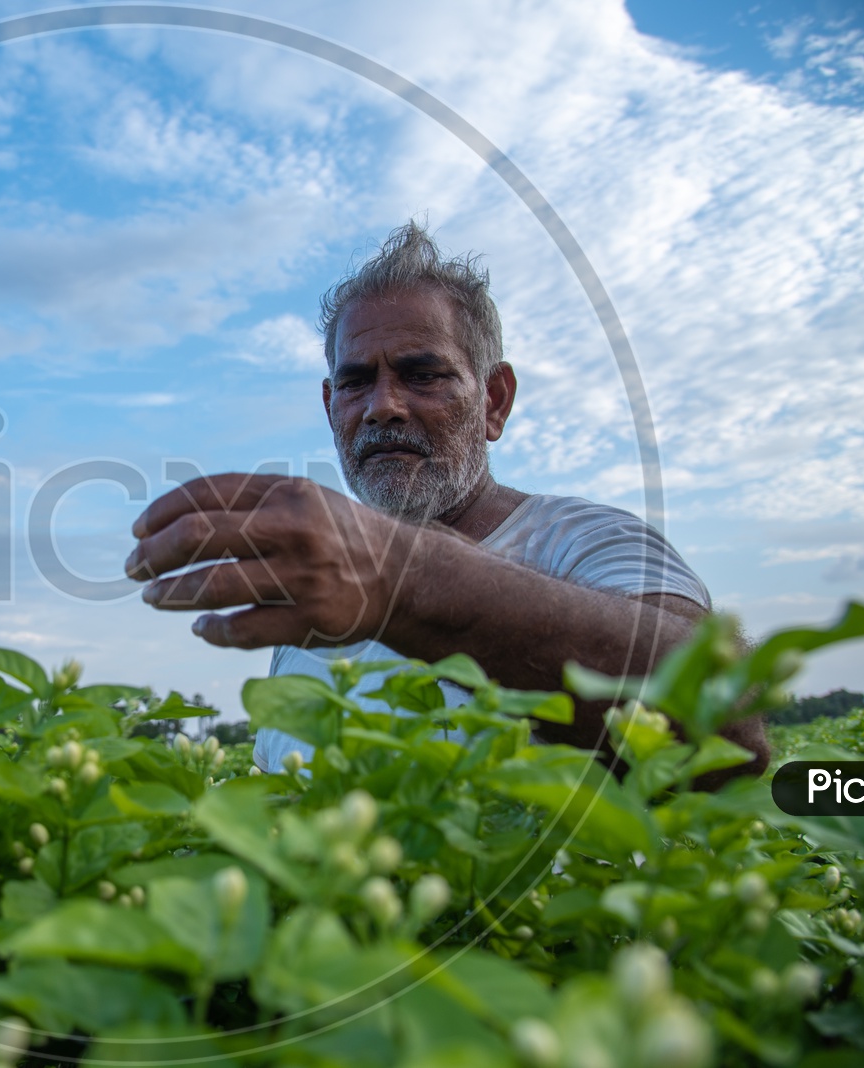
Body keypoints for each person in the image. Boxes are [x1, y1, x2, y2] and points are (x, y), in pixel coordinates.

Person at [124, 222, 769, 784]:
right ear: (329, 408)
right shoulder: (313, 605)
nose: (383, 405)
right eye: (355, 383)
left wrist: (406, 579)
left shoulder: (584, 542)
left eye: (422, 374)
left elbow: (728, 730)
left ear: (494, 400)